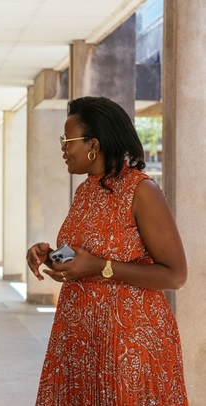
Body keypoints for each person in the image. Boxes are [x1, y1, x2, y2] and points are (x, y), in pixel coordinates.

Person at [26, 96, 188, 405]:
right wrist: (51, 255)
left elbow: (175, 275)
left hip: (127, 342)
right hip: (81, 339)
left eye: (67, 140)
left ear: (94, 144)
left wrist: (100, 267)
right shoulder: (86, 190)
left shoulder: (142, 190)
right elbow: (83, 256)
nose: (63, 148)